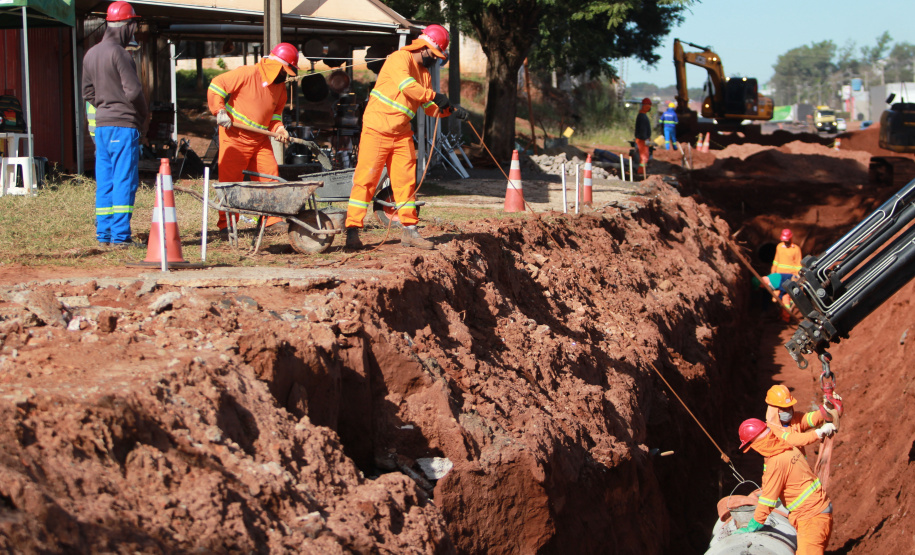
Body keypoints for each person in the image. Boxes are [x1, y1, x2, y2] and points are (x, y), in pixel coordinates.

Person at [343, 24, 468, 251]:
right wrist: (435, 96)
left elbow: (430, 107)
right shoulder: (399, 59)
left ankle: (410, 231)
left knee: (405, 183)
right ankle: (352, 232)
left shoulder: (425, 74)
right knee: (366, 181)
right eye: (434, 55)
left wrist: (451, 110)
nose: (435, 60)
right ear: (424, 47)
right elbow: (407, 87)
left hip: (401, 134)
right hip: (377, 128)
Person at [207, 42, 298, 234]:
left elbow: (274, 115)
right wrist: (220, 111)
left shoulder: (280, 89)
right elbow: (217, 85)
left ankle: (271, 220)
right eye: (285, 70)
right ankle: (227, 225)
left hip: (260, 140)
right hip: (234, 136)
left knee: (270, 176)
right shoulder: (247, 73)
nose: (286, 76)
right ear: (276, 66)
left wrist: (279, 128)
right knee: (230, 182)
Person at [81, 1, 148, 247]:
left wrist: (106, 105)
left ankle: (104, 235)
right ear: (125, 26)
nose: (134, 30)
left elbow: (87, 92)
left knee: (106, 180)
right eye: (133, 24)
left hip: (102, 127)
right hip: (124, 126)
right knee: (124, 180)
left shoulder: (91, 54)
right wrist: (143, 115)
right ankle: (121, 237)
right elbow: (133, 91)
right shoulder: (119, 53)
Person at [735, 418, 833, 554]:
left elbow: (767, 501)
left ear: (756, 444)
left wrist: (754, 524)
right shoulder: (787, 446)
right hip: (820, 510)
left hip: (811, 518)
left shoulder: (776, 462)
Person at [763, 384, 838, 458]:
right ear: (774, 410)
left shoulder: (795, 418)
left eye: (789, 407)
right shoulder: (770, 430)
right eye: (784, 408)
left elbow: (810, 418)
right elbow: (792, 439)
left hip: (800, 468)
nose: (788, 411)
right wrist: (818, 433)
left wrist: (826, 409)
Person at [634, 97, 652, 177]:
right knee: (644, 157)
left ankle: (641, 172)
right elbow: (642, 129)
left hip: (642, 139)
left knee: (644, 157)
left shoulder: (642, 115)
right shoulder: (642, 116)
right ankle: (641, 173)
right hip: (642, 140)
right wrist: (645, 139)